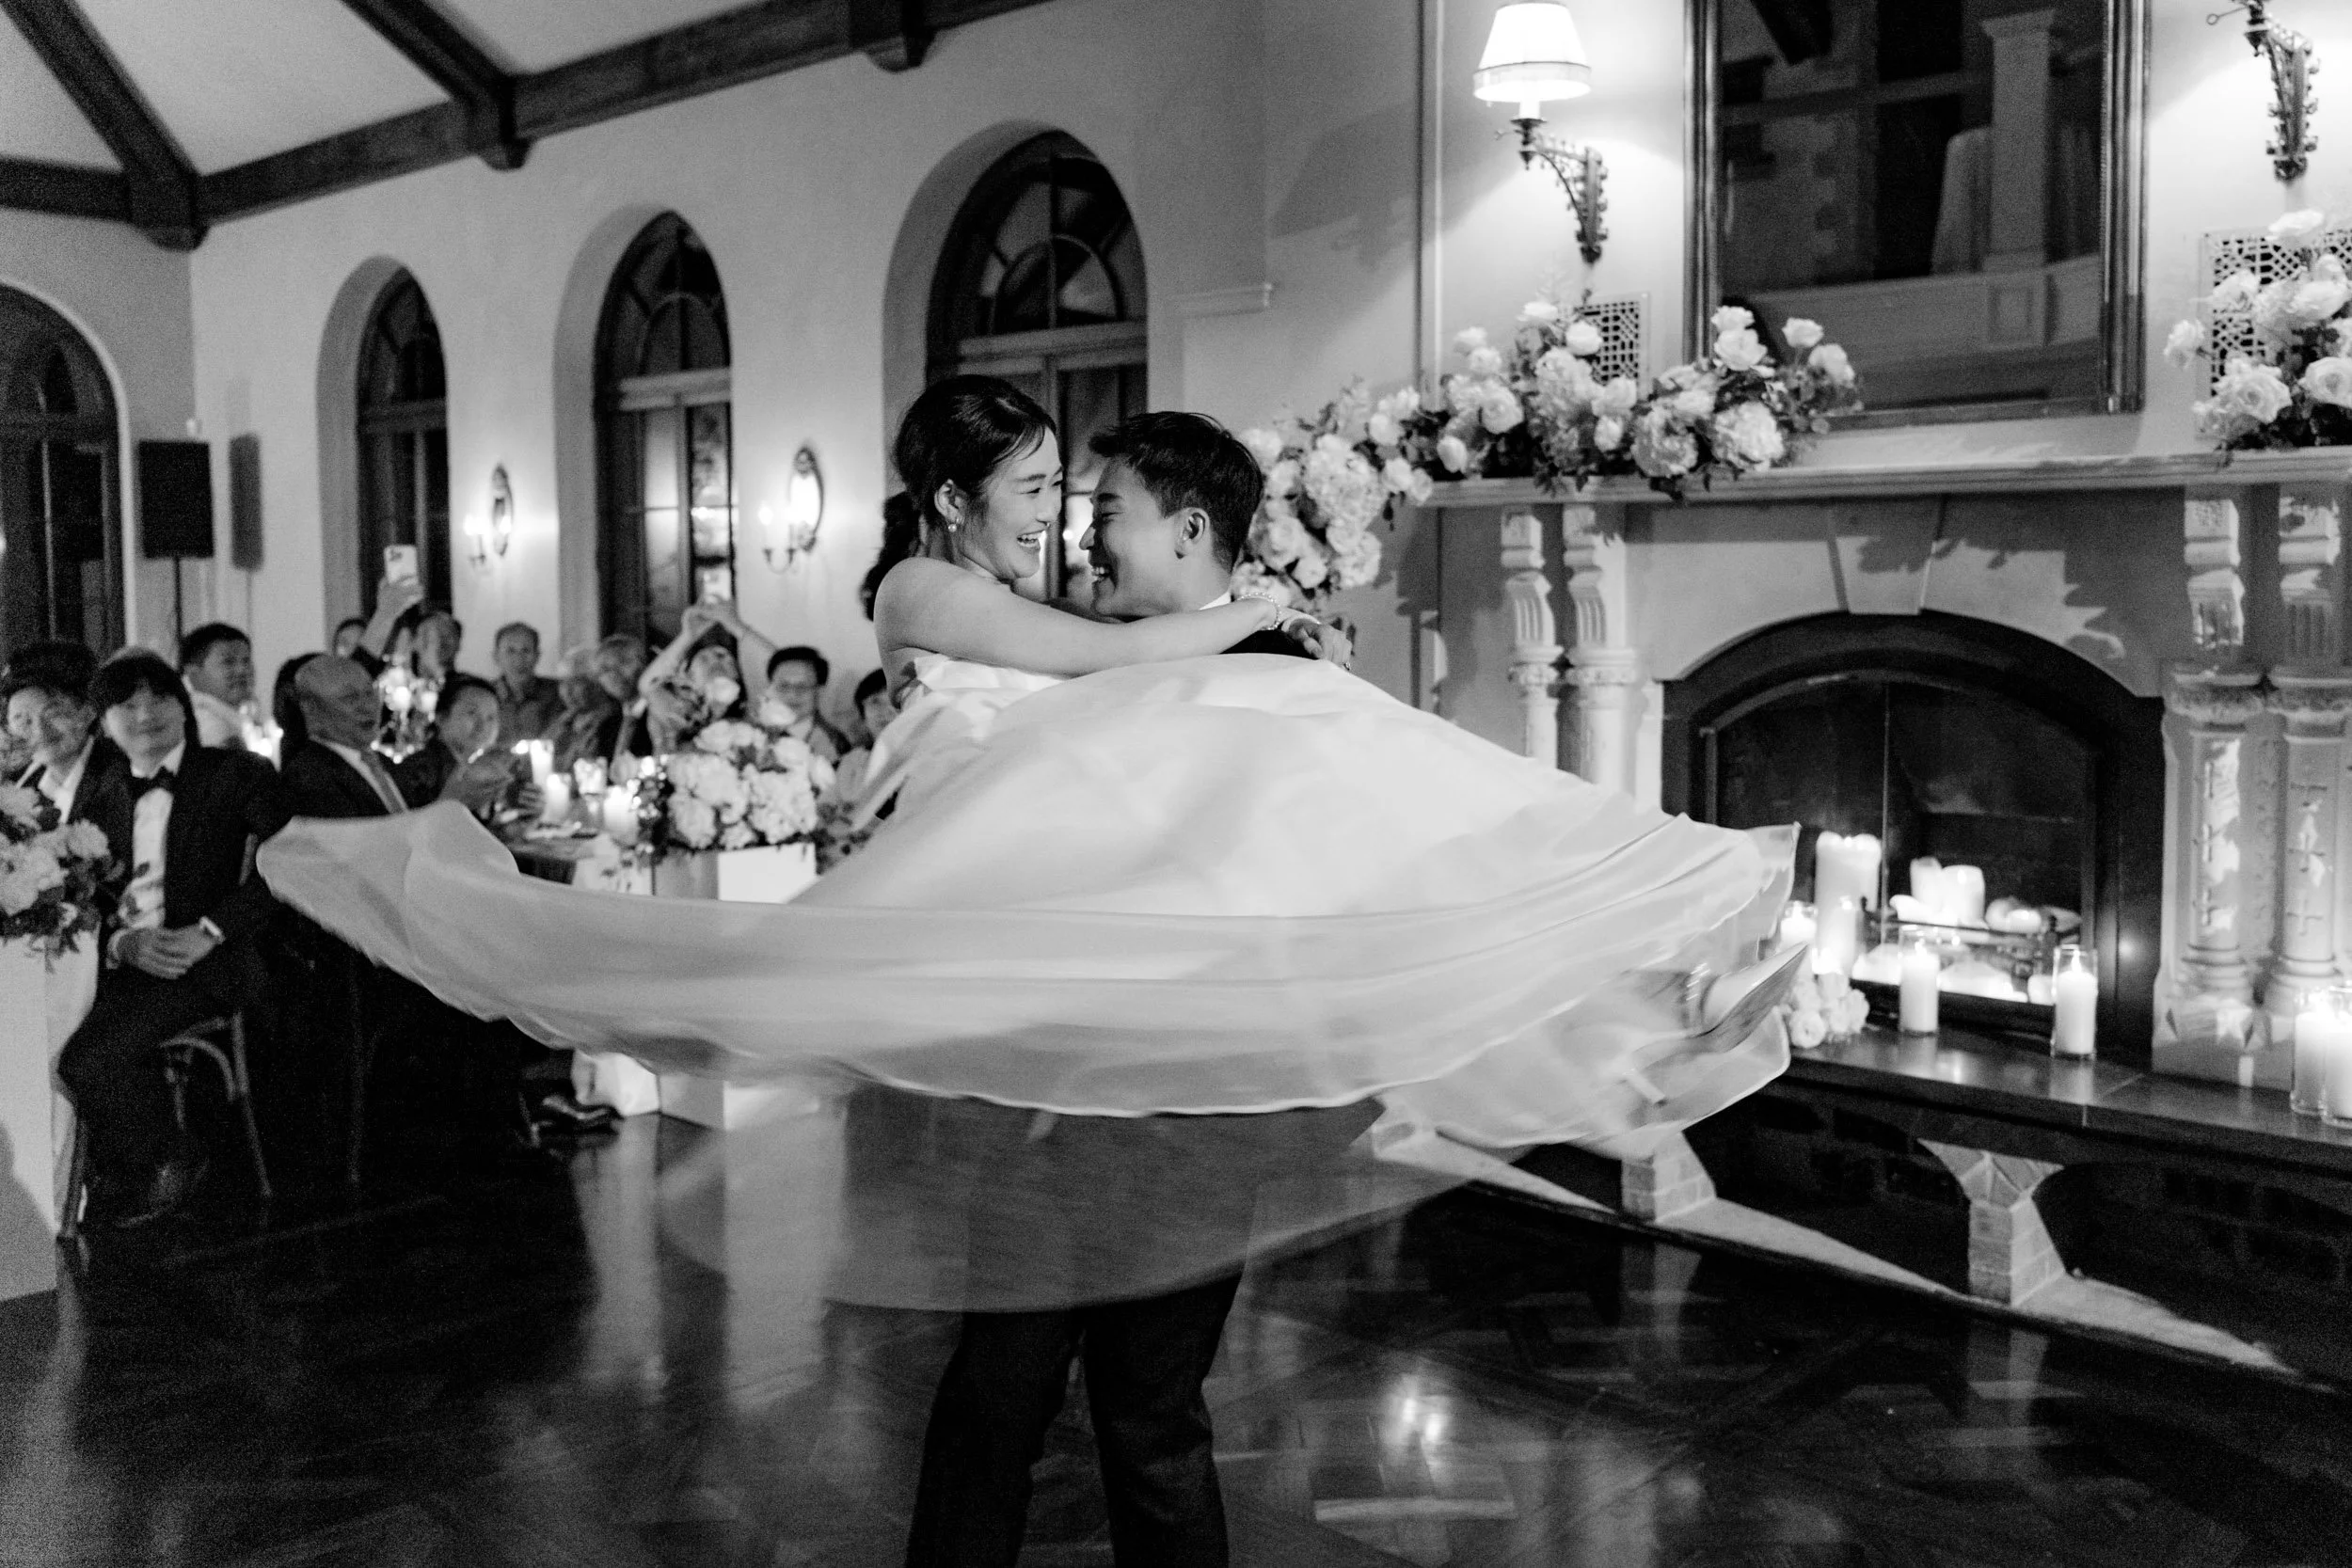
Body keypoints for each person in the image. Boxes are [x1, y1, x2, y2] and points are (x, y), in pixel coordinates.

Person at [57, 652, 290, 1227]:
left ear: (182, 705)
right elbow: (83, 899)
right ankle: (98, 1171)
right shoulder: (100, 795)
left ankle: (171, 1156)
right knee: (44, 1036)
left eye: (158, 698)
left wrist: (209, 932)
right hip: (128, 962)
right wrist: (121, 944)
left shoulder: (237, 774)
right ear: (103, 722)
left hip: (211, 959)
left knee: (85, 1059)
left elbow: (288, 867)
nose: (145, 714)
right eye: (126, 704)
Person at [280, 657, 409, 819]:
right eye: (350, 698)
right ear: (311, 708)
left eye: (370, 693)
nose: (368, 706)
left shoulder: (382, 762)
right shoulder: (310, 777)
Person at [4, 641, 119, 820]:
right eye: (23, 720)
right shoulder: (20, 788)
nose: (40, 731)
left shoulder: (122, 781)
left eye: (53, 714)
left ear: (88, 712)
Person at [761, 645, 850, 761]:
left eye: (802, 687)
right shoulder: (749, 730)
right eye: (783, 686)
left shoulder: (835, 746)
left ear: (820, 691)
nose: (792, 695)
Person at [179, 623, 258, 751]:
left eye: (246, 661)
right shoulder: (210, 727)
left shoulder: (227, 716)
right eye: (228, 662)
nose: (242, 670)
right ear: (193, 674)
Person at [548, 644, 622, 778]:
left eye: (576, 683)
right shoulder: (564, 721)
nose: (567, 691)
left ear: (597, 684)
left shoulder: (612, 723)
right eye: (563, 683)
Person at [491, 622, 562, 743]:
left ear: (537, 656)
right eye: (511, 651)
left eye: (526, 651)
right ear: (496, 656)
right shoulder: (485, 696)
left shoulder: (558, 694)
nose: (519, 659)